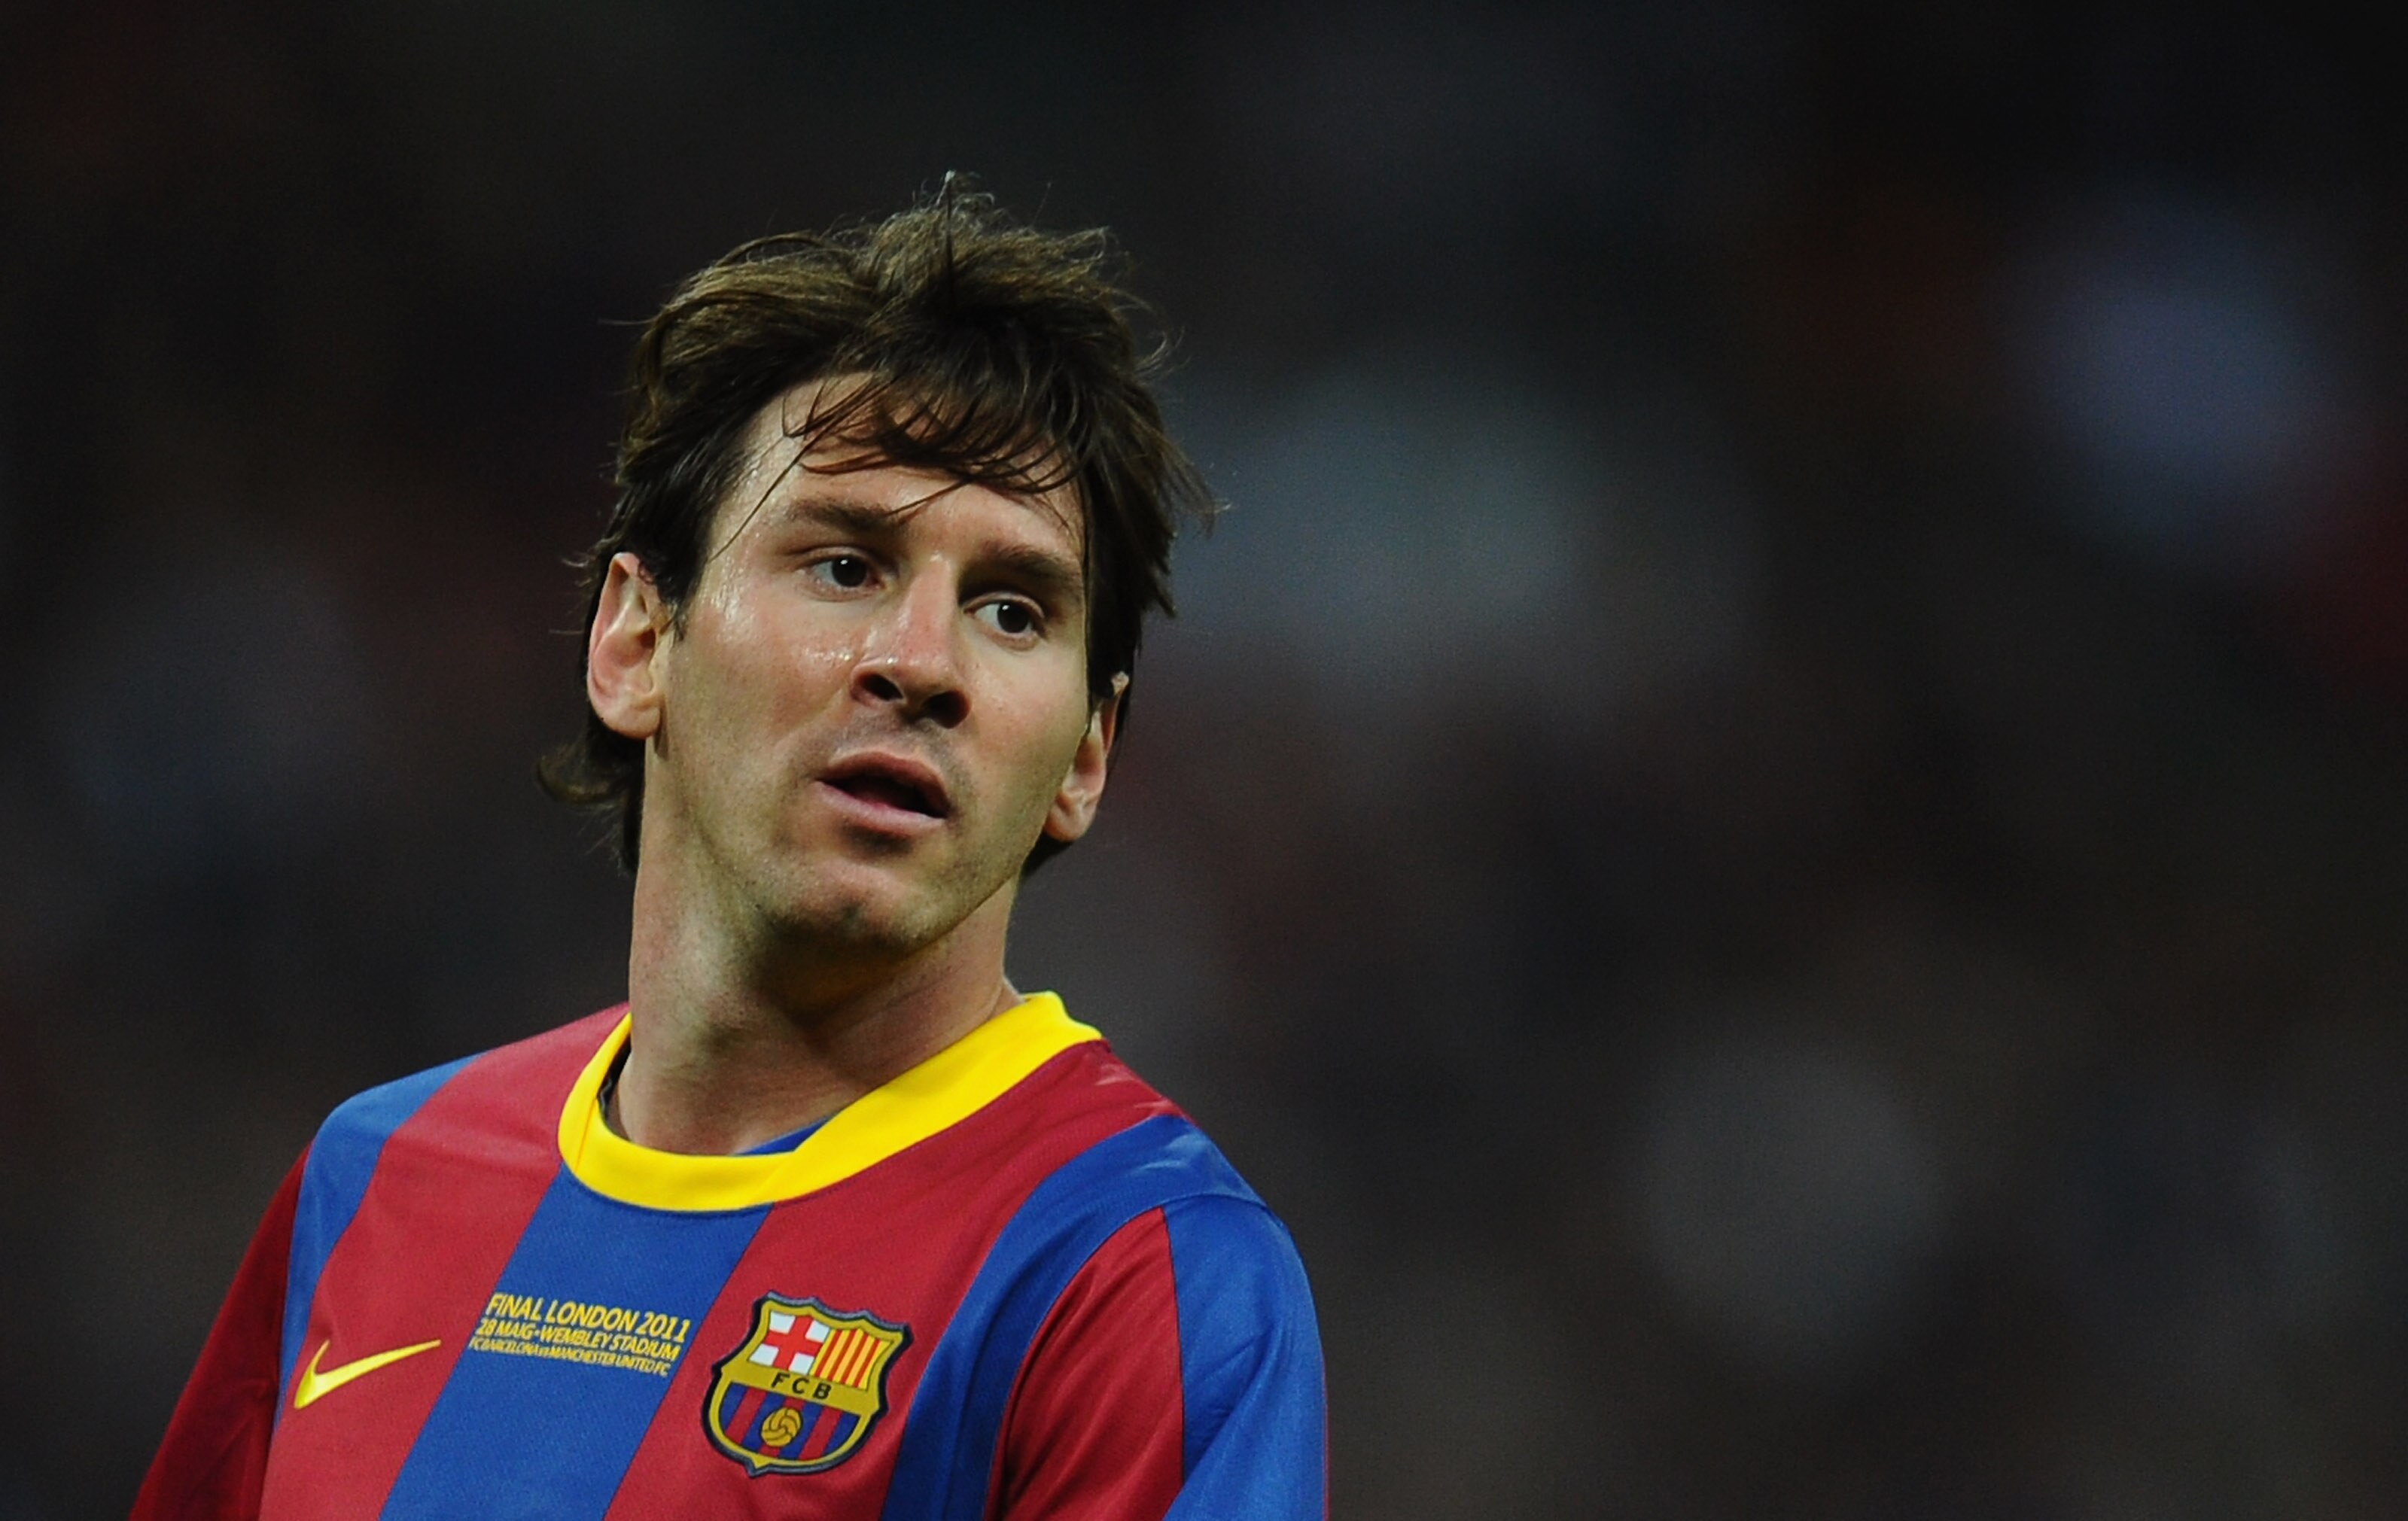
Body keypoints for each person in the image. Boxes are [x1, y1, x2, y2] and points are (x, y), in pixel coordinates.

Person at [132, 185, 1325, 1520]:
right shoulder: (375, 1177)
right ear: (635, 641)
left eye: (1011, 607)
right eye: (846, 565)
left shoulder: (1131, 1270)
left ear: (1087, 756)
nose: (922, 663)